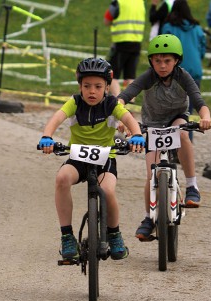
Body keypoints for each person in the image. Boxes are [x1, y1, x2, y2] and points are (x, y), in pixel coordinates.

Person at [38, 57, 144, 263]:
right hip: (78, 158)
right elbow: (56, 118)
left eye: (97, 86)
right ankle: (67, 237)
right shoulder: (75, 103)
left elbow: (129, 119)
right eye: (86, 86)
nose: (92, 91)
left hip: (105, 159)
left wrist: (137, 134)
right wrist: (47, 137)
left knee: (108, 190)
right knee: (61, 179)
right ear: (80, 86)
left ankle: (114, 234)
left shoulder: (112, 104)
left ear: (106, 87)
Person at [117, 34, 211, 241]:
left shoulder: (183, 76)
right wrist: (120, 116)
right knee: (151, 174)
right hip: (152, 124)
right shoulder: (147, 77)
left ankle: (192, 185)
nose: (162, 66)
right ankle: (149, 217)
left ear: (176, 60)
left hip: (177, 119)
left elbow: (198, 100)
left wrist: (205, 117)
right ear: (151, 61)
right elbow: (124, 96)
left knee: (182, 134)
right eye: (157, 60)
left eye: (167, 61)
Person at [161, 0, 206, 141]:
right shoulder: (197, 28)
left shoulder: (168, 27)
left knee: (171, 111)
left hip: (175, 72)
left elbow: (162, 51)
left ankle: (174, 145)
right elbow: (202, 50)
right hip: (195, 71)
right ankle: (187, 142)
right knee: (189, 111)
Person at [103, 0, 146, 97]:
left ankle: (119, 103)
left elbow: (106, 20)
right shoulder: (140, 2)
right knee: (130, 76)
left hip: (121, 42)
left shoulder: (118, 2)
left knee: (111, 75)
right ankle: (131, 106)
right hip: (136, 42)